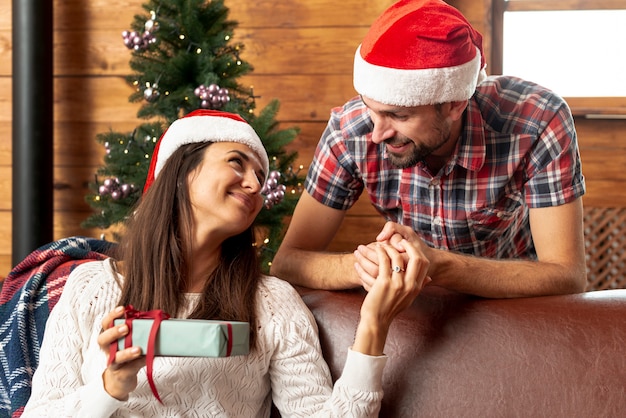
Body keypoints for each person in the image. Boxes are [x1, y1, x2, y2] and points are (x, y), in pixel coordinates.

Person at [22, 110, 429, 417]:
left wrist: (374, 323)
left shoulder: (272, 302)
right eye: (237, 162)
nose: (255, 185)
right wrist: (108, 388)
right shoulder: (90, 287)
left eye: (259, 176)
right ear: (181, 171)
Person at [270, 0, 587, 299]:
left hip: (514, 304)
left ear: (454, 105)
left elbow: (567, 276)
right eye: (372, 109)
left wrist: (438, 266)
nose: (377, 133)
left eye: (399, 115)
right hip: (416, 309)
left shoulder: (537, 120)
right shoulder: (349, 131)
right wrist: (367, 264)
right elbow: (287, 262)